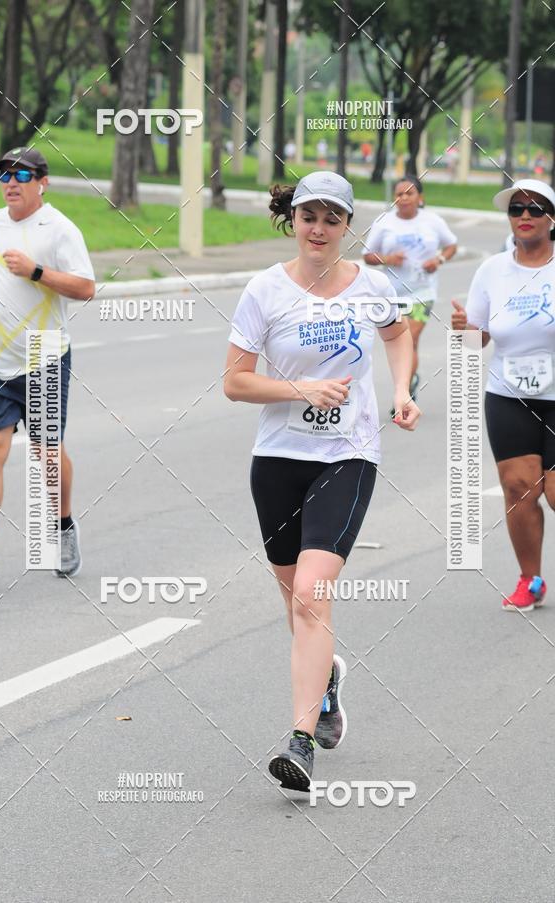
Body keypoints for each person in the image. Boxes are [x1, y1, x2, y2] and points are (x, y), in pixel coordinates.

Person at [224, 171, 420, 792]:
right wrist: (299, 388)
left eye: (332, 219)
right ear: (294, 219)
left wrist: (402, 389)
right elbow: (234, 381)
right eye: (309, 216)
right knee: (294, 598)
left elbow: (399, 334)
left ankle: (300, 741)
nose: (319, 228)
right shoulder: (263, 291)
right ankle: (328, 679)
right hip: (278, 459)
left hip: (349, 455)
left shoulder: (374, 287)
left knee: (311, 592)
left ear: (346, 227)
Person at [0, 147, 95, 584]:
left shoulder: (60, 230)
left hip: (44, 356)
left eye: (21, 174)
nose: (10, 182)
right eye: (4, 175)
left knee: (46, 456)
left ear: (42, 182)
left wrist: (36, 271)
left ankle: (64, 526)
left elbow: (86, 287)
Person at [451, 178, 555, 611]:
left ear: (552, 217)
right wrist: (466, 332)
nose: (525, 216)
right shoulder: (492, 270)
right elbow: (480, 340)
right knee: (518, 489)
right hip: (509, 394)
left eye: (535, 208)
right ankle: (530, 581)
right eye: (517, 210)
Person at [364, 174, 457, 404]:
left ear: (420, 197)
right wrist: (387, 258)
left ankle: (403, 392)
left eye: (409, 193)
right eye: (399, 194)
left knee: (410, 338)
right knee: (404, 343)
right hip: (393, 295)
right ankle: (411, 380)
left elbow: (451, 245)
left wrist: (439, 261)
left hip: (422, 292)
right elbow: (368, 255)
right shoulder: (384, 222)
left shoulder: (432, 221)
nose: (404, 198)